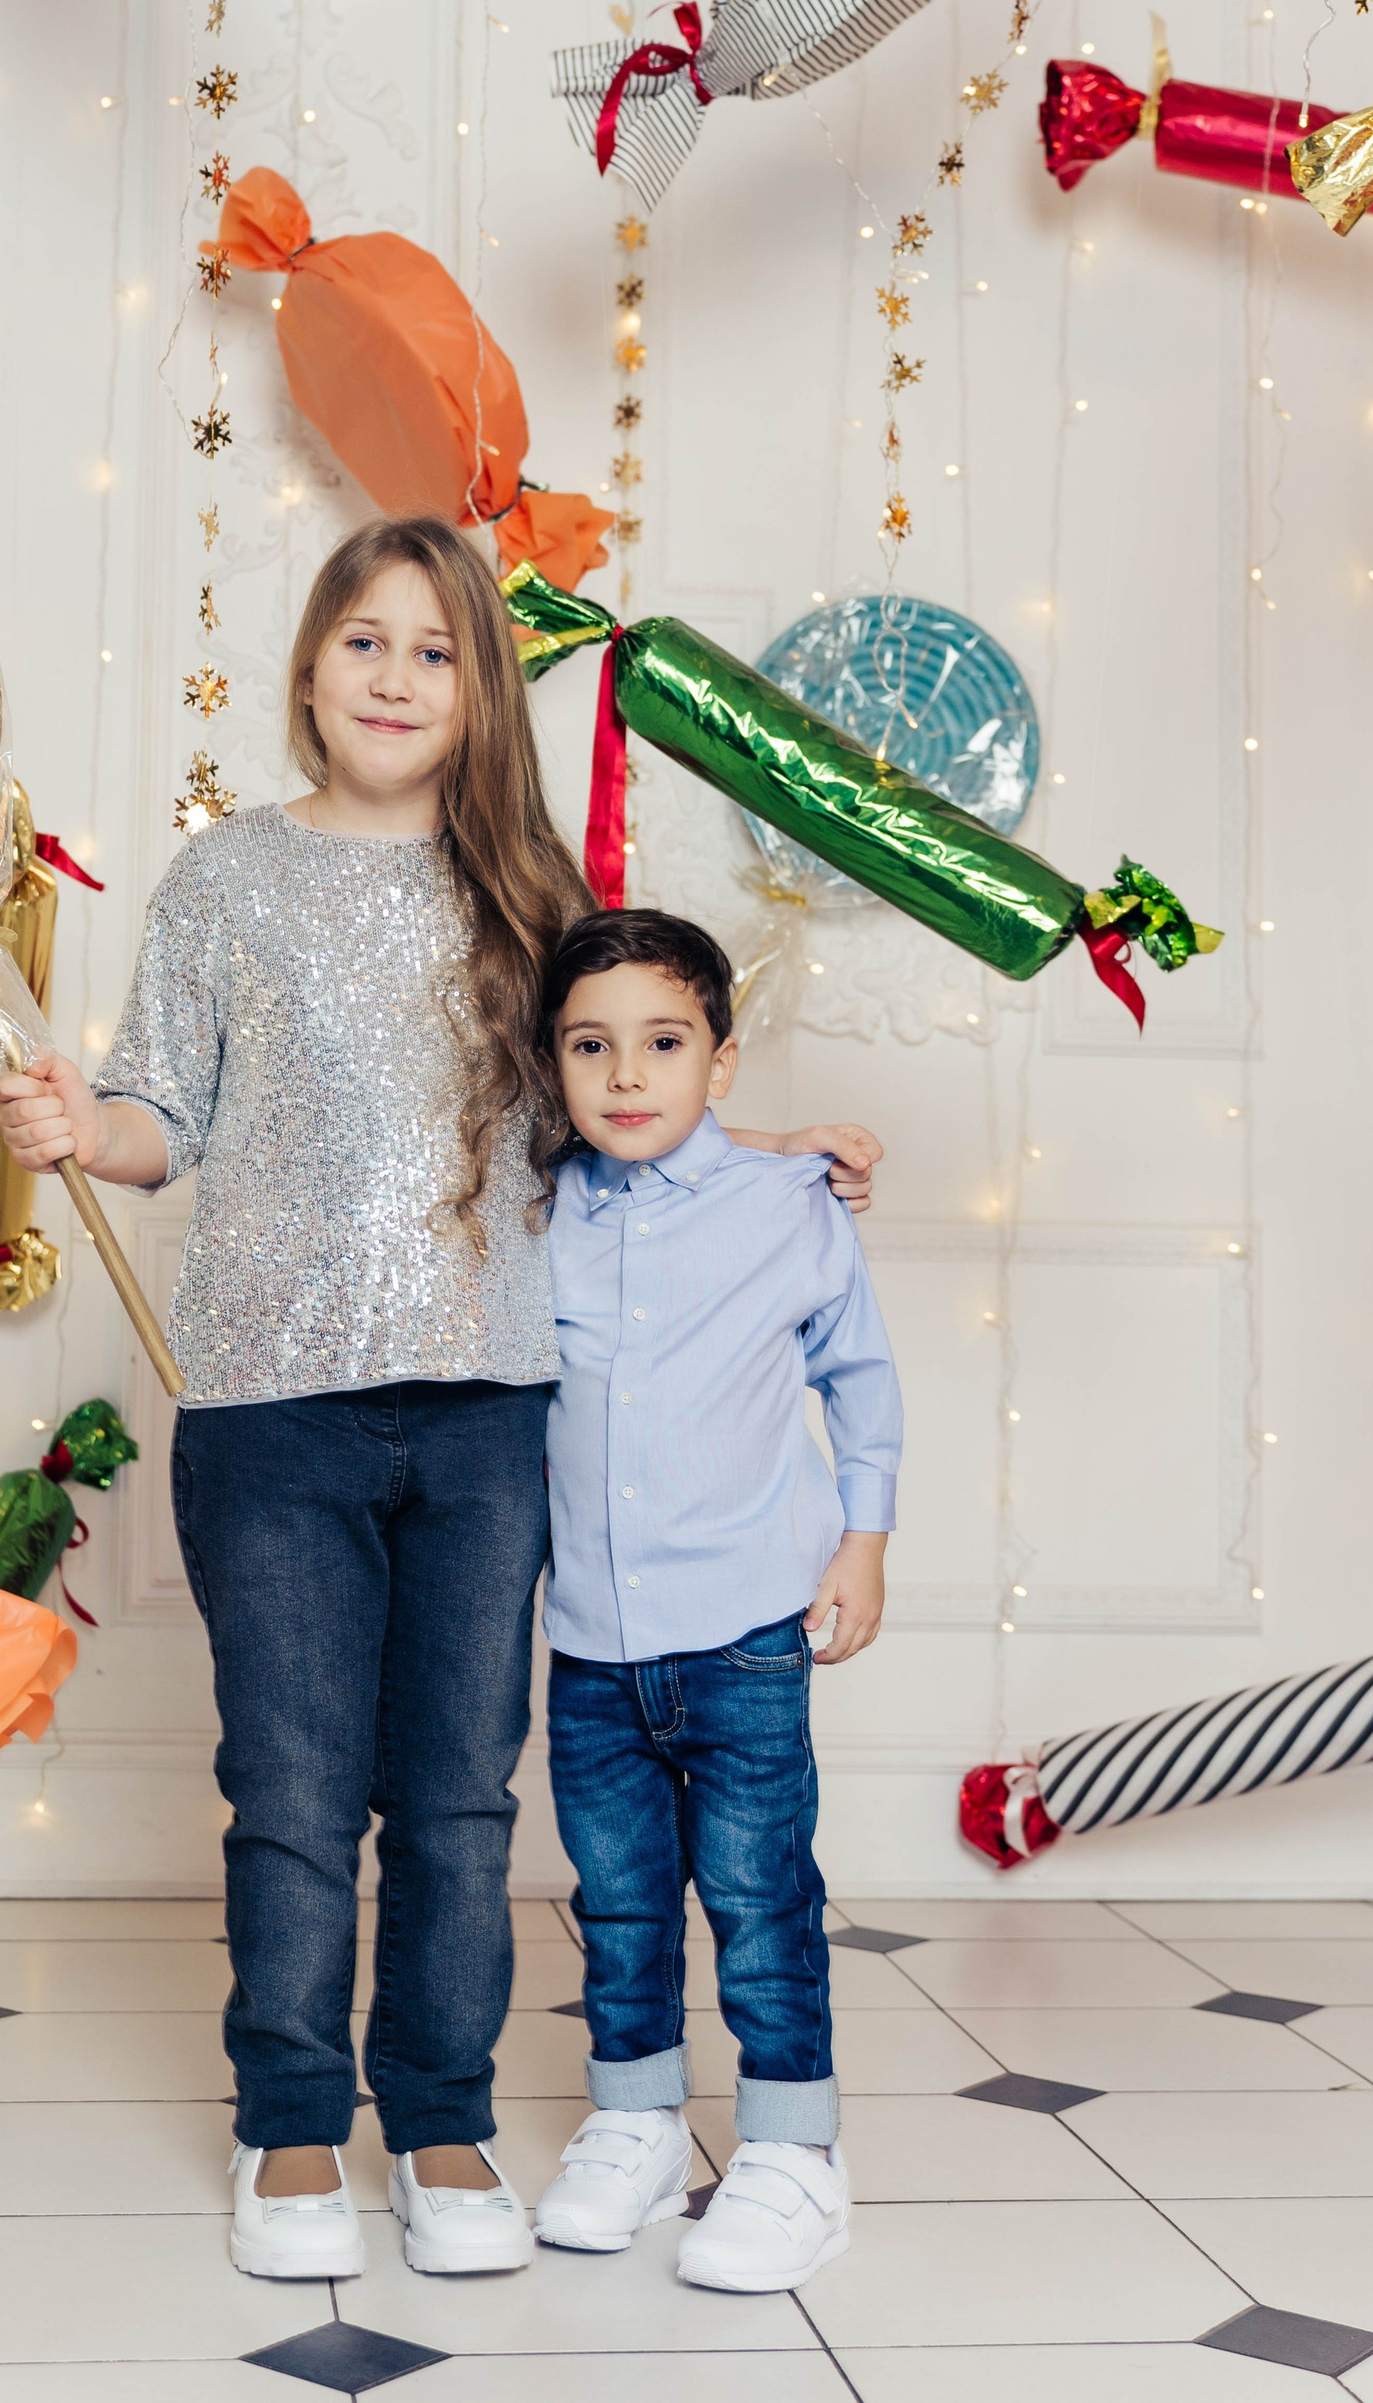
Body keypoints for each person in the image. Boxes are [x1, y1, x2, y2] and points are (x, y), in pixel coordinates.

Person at [0, 516, 882, 2283]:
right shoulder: (224, 878)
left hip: (491, 1412)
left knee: (463, 1793)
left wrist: (760, 1144)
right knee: (294, 1785)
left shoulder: (532, 889)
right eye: (365, 641)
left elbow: (612, 1107)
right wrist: (88, 1126)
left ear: (481, 691)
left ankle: (441, 2114)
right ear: (310, 667)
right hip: (271, 1408)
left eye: (437, 650)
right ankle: (290, 2121)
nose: (396, 678)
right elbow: (164, 1113)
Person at [528, 906, 901, 2293]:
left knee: (758, 1897)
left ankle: (796, 2151)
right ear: (554, 1065)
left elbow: (859, 1378)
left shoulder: (786, 1205)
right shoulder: (537, 1210)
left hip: (745, 1634)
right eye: (591, 1046)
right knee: (620, 1904)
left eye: (665, 1043)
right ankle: (635, 2123)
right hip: (591, 1645)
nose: (628, 1074)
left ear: (721, 1061)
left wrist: (863, 1543)